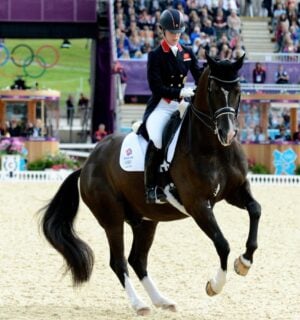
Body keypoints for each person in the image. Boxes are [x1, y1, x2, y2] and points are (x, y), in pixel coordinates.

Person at [140, 8, 203, 204]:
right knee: (158, 139)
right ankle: (151, 187)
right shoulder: (156, 55)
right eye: (171, 32)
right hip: (161, 106)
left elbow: (200, 76)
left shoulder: (187, 53)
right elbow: (156, 87)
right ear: (163, 31)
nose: (175, 36)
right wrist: (179, 92)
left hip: (181, 106)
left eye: (178, 32)